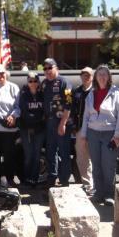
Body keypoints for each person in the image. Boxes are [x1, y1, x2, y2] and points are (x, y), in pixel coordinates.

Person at [80, 65, 119, 206]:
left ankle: (109, 194)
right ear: (95, 77)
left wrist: (118, 134)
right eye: (99, 74)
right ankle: (98, 193)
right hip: (93, 133)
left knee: (108, 165)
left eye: (104, 74)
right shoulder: (92, 93)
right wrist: (84, 134)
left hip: (109, 134)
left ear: (109, 77)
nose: (102, 77)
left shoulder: (115, 93)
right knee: (96, 165)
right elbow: (86, 115)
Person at [0, 64, 20, 187]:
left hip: (9, 127)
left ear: (7, 74)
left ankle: (10, 179)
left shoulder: (14, 87)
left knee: (9, 156)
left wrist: (13, 116)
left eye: (3, 73)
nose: (1, 76)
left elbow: (18, 106)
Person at [41, 58, 73, 187]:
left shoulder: (64, 82)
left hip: (62, 122)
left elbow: (69, 103)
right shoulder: (44, 84)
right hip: (49, 122)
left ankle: (64, 180)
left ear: (56, 68)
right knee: (50, 151)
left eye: (50, 68)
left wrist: (63, 123)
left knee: (64, 151)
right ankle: (51, 178)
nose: (48, 71)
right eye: (45, 68)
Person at [19, 72, 45, 187]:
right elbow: (24, 112)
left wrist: (38, 119)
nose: (33, 83)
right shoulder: (23, 95)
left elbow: (45, 111)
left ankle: (33, 179)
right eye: (30, 81)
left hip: (40, 130)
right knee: (28, 155)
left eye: (35, 81)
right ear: (27, 82)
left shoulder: (42, 95)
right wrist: (36, 119)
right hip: (26, 130)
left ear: (38, 82)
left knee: (37, 155)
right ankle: (25, 179)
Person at [72, 67, 94, 194]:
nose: (85, 77)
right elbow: (72, 110)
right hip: (80, 128)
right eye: (83, 74)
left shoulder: (96, 91)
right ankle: (87, 185)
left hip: (94, 129)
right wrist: (73, 126)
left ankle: (97, 185)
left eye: (88, 75)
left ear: (92, 76)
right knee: (82, 158)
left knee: (95, 158)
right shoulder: (77, 91)